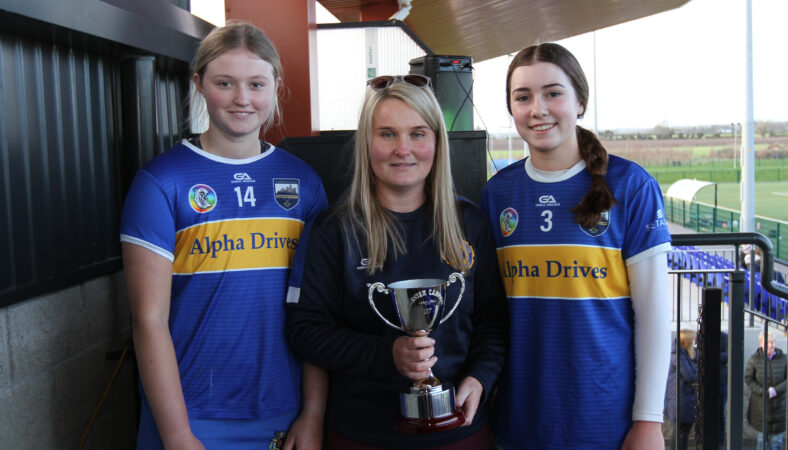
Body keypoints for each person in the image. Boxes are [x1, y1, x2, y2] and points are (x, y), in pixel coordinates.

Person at [120, 23, 328, 449]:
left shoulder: (303, 182)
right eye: (224, 83)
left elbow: (318, 312)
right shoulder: (161, 181)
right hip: (190, 417)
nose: (242, 99)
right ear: (199, 84)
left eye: (256, 84)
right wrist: (177, 435)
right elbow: (149, 319)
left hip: (282, 412)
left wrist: (313, 412)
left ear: (275, 86)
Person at [285, 74, 508, 449]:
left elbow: (493, 320)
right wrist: (386, 355)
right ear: (366, 144)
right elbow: (305, 331)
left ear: (437, 142)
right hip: (360, 432)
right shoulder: (333, 229)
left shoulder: (471, 224)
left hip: (459, 430)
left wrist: (480, 377)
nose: (403, 149)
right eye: (387, 134)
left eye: (418, 134)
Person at [481, 43, 672, 449]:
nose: (538, 109)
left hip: (606, 420)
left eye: (553, 93)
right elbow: (491, 314)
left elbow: (654, 317)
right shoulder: (498, 194)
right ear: (511, 109)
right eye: (523, 97)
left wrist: (649, 421)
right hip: (519, 421)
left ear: (580, 101)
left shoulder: (631, 185)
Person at [745, 331, 788, 450]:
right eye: (767, 342)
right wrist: (764, 392)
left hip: (779, 407)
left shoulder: (783, 358)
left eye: (772, 342)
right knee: (762, 441)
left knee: (776, 441)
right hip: (761, 408)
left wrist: (776, 390)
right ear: (761, 343)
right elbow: (749, 378)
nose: (770, 345)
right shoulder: (754, 359)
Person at [665, 330, 698, 450]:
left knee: (684, 432)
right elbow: (690, 375)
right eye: (693, 340)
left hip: (685, 400)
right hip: (680, 400)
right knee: (680, 433)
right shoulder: (678, 356)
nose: (695, 342)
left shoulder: (687, 355)